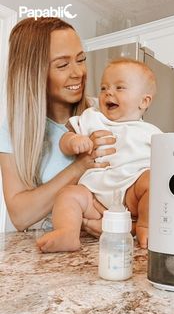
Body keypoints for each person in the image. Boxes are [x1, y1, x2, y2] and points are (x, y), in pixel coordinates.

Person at [0, 17, 115, 235]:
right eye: (62, 65)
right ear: (33, 73)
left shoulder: (104, 111)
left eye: (80, 60)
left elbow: (134, 183)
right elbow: (20, 215)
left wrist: (119, 224)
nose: (78, 73)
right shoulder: (13, 130)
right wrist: (80, 166)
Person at [37, 58, 162, 253]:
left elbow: (168, 166)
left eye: (119, 87)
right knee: (68, 194)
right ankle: (67, 232)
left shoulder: (151, 132)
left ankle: (145, 227)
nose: (108, 92)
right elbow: (66, 136)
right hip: (93, 194)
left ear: (144, 101)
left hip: (130, 192)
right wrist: (73, 142)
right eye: (104, 88)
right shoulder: (92, 117)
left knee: (154, 182)